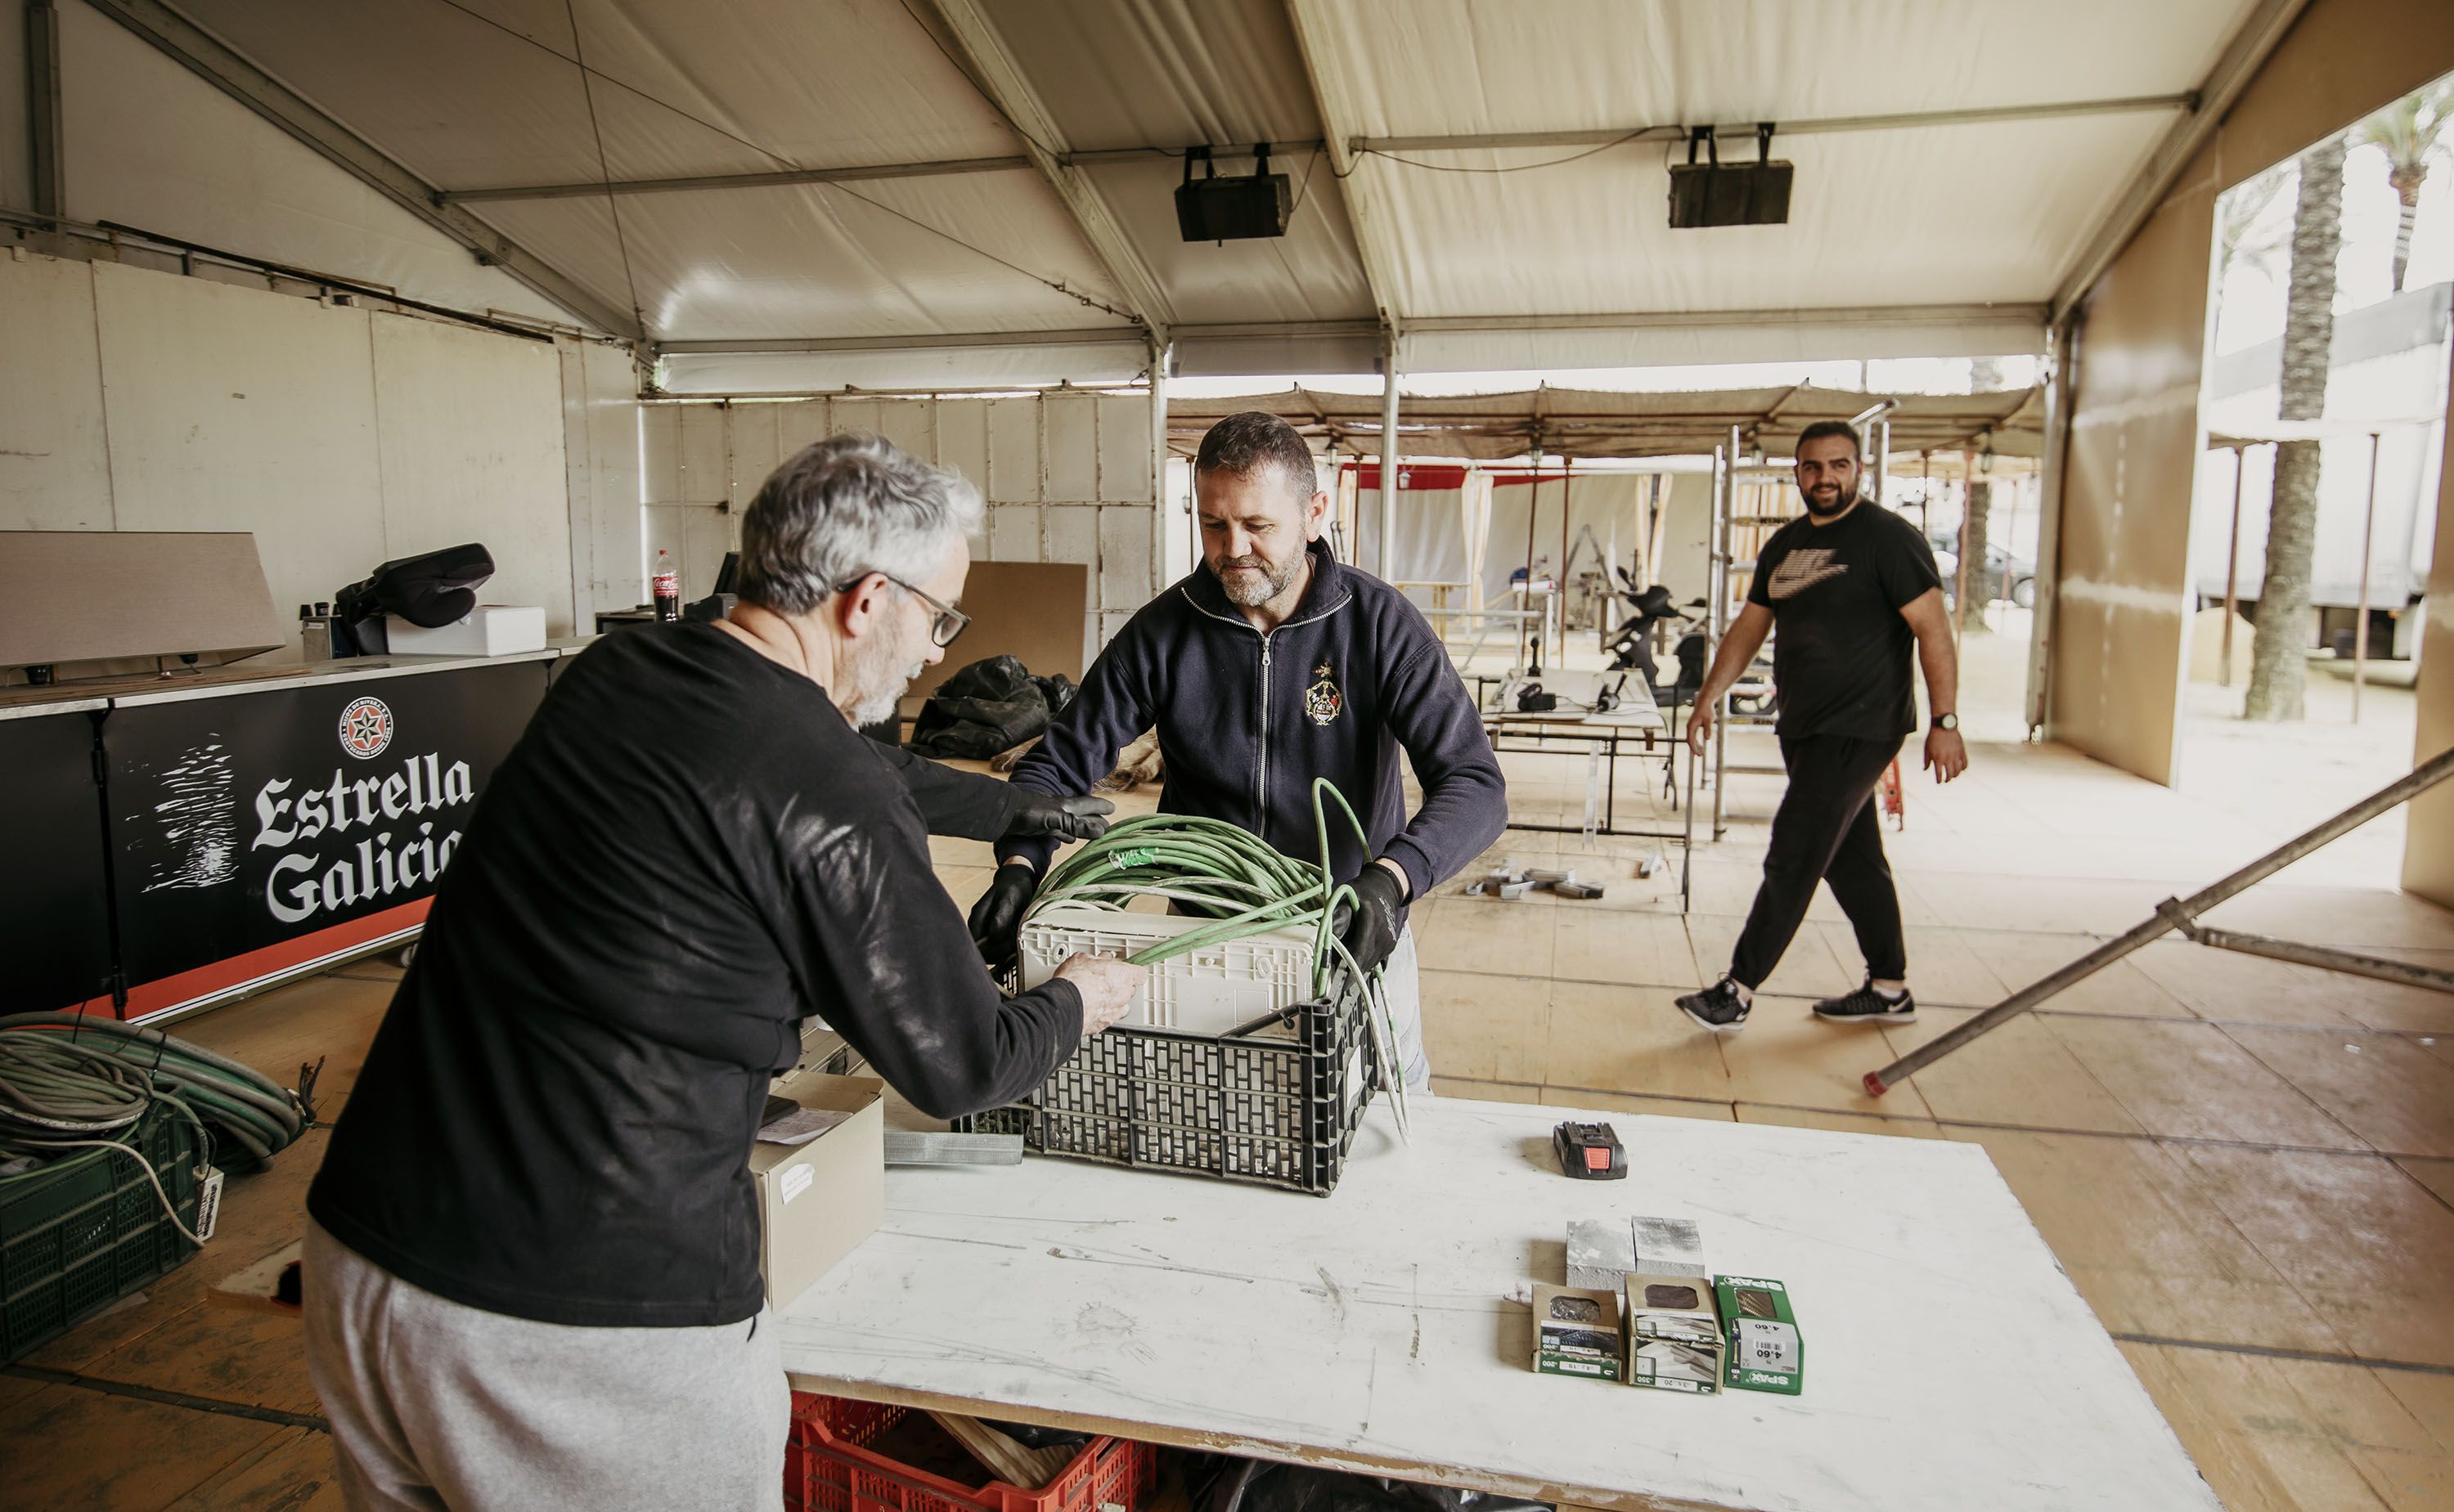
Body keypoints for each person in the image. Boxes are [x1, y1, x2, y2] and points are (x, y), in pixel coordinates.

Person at [301, 434, 1145, 1512]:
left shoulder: (623, 670)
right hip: (574, 1326)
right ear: (868, 599)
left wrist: (1012, 809)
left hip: (367, 1256)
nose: (937, 653)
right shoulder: (829, 786)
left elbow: (836, 773)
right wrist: (1080, 996)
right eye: (940, 618)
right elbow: (963, 1060)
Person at [967, 411, 1508, 1091]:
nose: (1233, 548)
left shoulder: (1378, 625)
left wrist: (1392, 880)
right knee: (1218, 1110)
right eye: (1214, 524)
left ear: (1315, 514)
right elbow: (1059, 760)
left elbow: (1476, 784)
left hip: (1348, 933)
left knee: (1380, 1115)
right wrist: (1020, 864)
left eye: (1258, 526)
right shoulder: (1165, 632)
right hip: (1207, 941)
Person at [1674, 419, 1967, 1034]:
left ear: (1858, 469)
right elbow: (1751, 626)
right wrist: (1708, 695)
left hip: (1862, 727)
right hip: (1804, 726)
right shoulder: (1784, 546)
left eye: (1838, 465)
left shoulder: (1889, 540)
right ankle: (1889, 987)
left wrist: (1946, 719)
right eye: (1813, 466)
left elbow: (1934, 631)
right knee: (1852, 858)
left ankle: (1739, 989)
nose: (1825, 477)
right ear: (1797, 473)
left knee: (1797, 850)